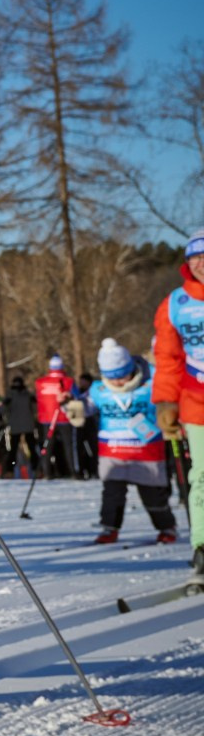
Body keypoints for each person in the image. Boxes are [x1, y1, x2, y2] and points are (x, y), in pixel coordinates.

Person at [84, 339, 176, 545]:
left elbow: (168, 399)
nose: (117, 382)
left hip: (146, 450)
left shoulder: (151, 382)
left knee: (153, 494)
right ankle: (110, 528)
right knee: (112, 494)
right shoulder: (99, 389)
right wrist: (71, 404)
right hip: (112, 451)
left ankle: (166, 527)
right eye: (111, 377)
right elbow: (86, 408)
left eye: (121, 375)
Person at [151, 227, 204, 577]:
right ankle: (202, 545)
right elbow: (167, 358)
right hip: (195, 403)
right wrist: (165, 404)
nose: (201, 263)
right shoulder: (175, 303)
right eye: (195, 257)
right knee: (200, 477)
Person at [34, 355, 76, 479]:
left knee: (47, 446)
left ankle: (47, 472)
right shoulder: (68, 381)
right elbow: (76, 397)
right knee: (68, 446)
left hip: (47, 418)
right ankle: (73, 471)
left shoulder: (40, 382)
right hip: (64, 418)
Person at [3, 374, 39, 478]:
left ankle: (11, 469)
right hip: (27, 425)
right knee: (30, 449)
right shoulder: (27, 394)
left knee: (14, 450)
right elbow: (35, 407)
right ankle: (34, 468)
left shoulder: (11, 395)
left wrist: (7, 420)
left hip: (17, 426)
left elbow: (5, 410)